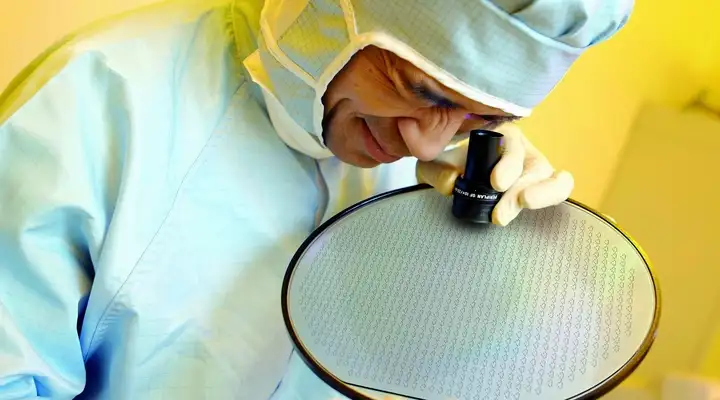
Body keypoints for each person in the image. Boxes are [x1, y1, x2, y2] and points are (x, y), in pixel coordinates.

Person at [0, 0, 632, 398]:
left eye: (479, 115)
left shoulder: (428, 178)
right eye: (422, 90)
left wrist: (487, 263)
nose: (423, 137)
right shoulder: (106, 99)